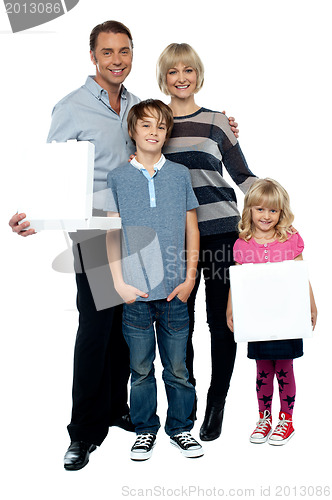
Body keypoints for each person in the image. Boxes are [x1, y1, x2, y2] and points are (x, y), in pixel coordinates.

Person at [8, 24, 238, 468]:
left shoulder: (136, 105)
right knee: (95, 331)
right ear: (92, 55)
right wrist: (33, 213)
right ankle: (83, 433)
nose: (117, 59)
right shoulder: (71, 107)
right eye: (108, 52)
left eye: (125, 51)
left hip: (143, 236)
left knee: (126, 330)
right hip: (96, 232)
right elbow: (50, 169)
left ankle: (122, 410)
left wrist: (224, 127)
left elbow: (170, 128)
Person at [156, 43, 257, 441]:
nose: (181, 78)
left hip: (221, 233)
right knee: (180, 322)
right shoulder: (155, 124)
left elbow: (243, 176)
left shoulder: (217, 122)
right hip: (175, 239)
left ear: (198, 74)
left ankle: (217, 400)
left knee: (222, 322)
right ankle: (188, 399)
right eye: (172, 72)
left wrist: (274, 202)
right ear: (162, 78)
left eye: (188, 70)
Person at [105, 99, 203, 460]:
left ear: (167, 132)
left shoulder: (179, 175)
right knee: (140, 369)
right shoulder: (117, 177)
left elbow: (192, 228)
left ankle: (181, 428)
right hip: (136, 294)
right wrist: (118, 283)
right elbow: (111, 233)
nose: (153, 132)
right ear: (133, 131)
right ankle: (145, 430)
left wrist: (190, 276)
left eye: (161, 127)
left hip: (176, 292)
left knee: (178, 369)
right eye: (146, 125)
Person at [226, 178, 317, 445]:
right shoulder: (243, 244)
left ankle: (286, 420)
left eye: (273, 210)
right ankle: (264, 417)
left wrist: (311, 304)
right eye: (260, 209)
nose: (266, 216)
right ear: (250, 210)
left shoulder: (290, 238)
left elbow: (301, 275)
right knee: (263, 369)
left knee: (285, 368)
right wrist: (232, 308)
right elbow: (238, 280)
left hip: (287, 316)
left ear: (281, 212)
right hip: (258, 319)